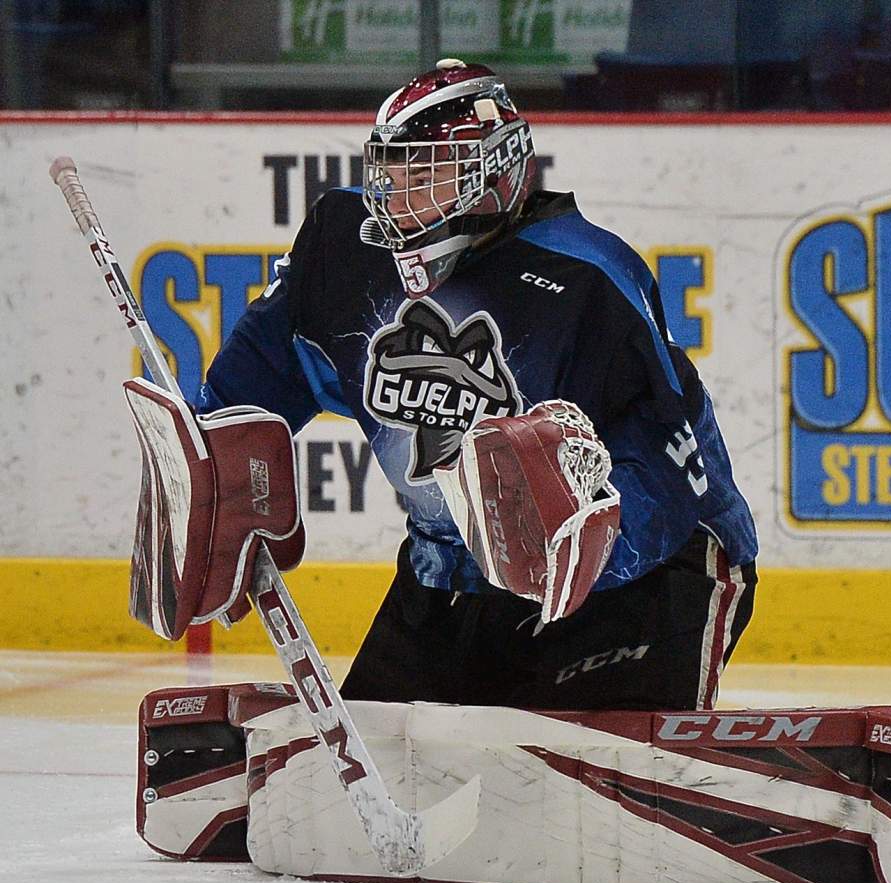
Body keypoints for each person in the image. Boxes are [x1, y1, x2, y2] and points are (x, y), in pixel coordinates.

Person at [195, 59, 758, 711]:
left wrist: (590, 549)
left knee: (575, 800)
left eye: (427, 174)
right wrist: (215, 470)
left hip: (649, 580)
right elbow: (262, 372)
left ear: (497, 173)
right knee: (357, 789)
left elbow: (676, 477)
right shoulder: (343, 249)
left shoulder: (588, 278)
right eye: (393, 171)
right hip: (449, 578)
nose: (400, 198)